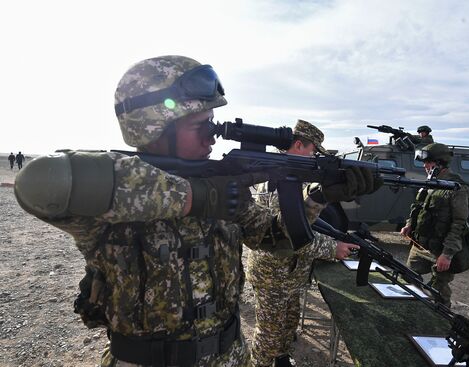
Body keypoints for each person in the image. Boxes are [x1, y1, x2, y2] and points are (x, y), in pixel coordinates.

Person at [14, 55, 380, 367]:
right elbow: (37, 182)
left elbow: (277, 239)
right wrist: (196, 197)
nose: (212, 135)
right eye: (199, 125)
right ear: (156, 126)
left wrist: (318, 195)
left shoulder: (225, 187)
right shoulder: (112, 192)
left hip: (230, 355)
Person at [247, 119, 379, 367]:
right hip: (273, 273)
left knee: (287, 323)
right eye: (312, 151)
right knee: (268, 334)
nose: (314, 157)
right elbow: (290, 233)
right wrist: (332, 248)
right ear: (299, 145)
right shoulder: (277, 179)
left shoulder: (292, 176)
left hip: (289, 273)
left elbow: (307, 225)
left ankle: (281, 358)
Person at [400, 143, 469, 308]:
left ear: (440, 163)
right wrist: (409, 224)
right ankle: (414, 310)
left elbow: (459, 223)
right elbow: (417, 206)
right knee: (408, 279)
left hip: (440, 249)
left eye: (428, 163)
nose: (425, 166)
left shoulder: (456, 187)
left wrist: (447, 254)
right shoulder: (430, 182)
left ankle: (442, 319)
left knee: (437, 290)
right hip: (420, 245)